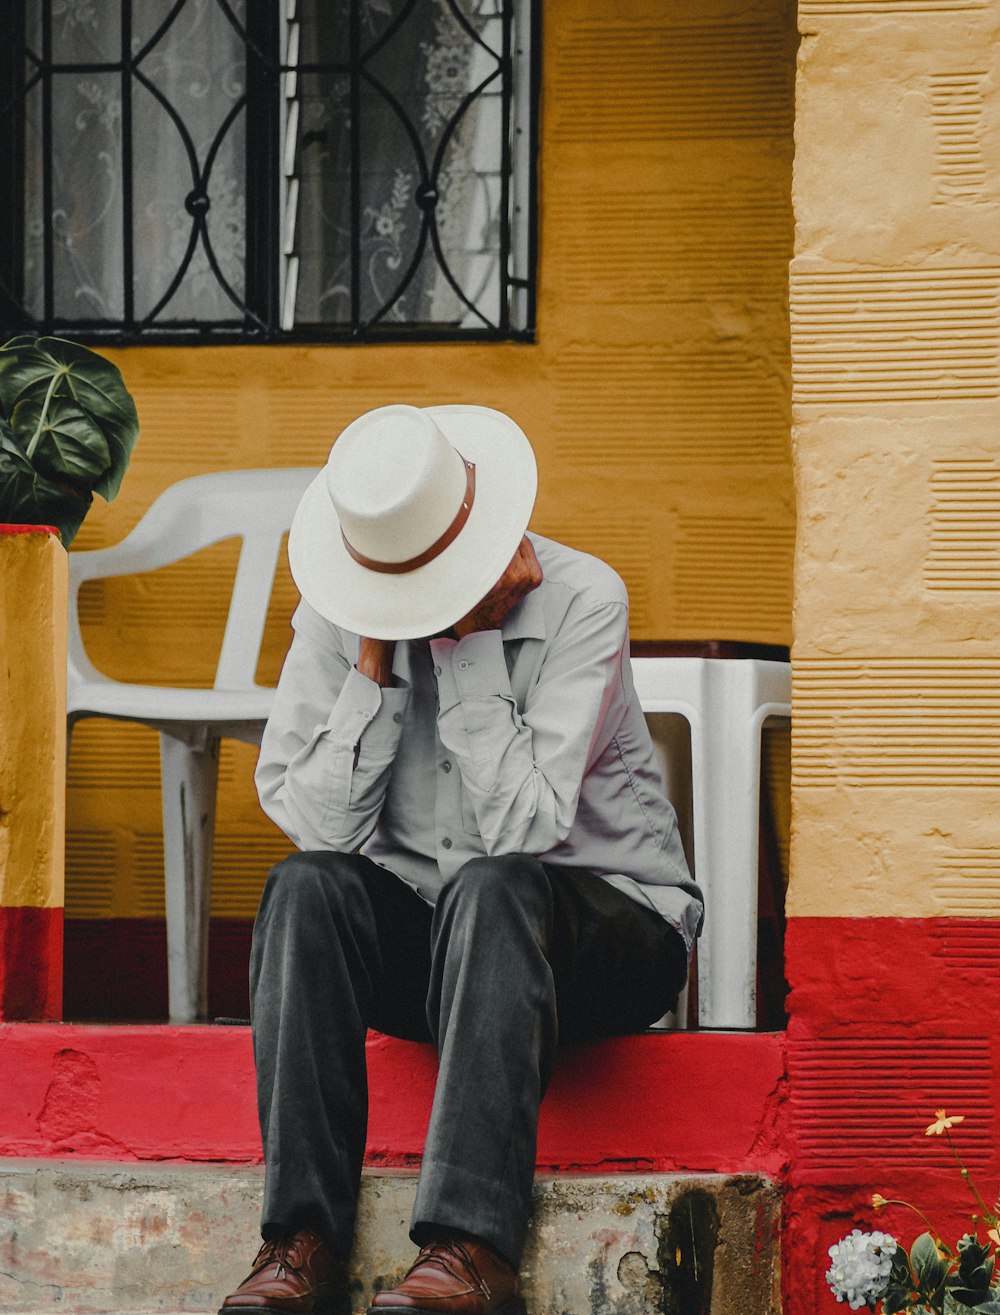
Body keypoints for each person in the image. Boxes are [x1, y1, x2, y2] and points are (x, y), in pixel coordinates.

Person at [220, 404, 703, 1315]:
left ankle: (469, 1250)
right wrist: (374, 656)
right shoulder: (337, 612)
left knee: (493, 882)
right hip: (455, 951)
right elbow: (317, 830)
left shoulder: (583, 598)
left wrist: (467, 639)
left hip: (607, 933)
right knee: (302, 887)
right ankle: (299, 1244)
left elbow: (523, 827)